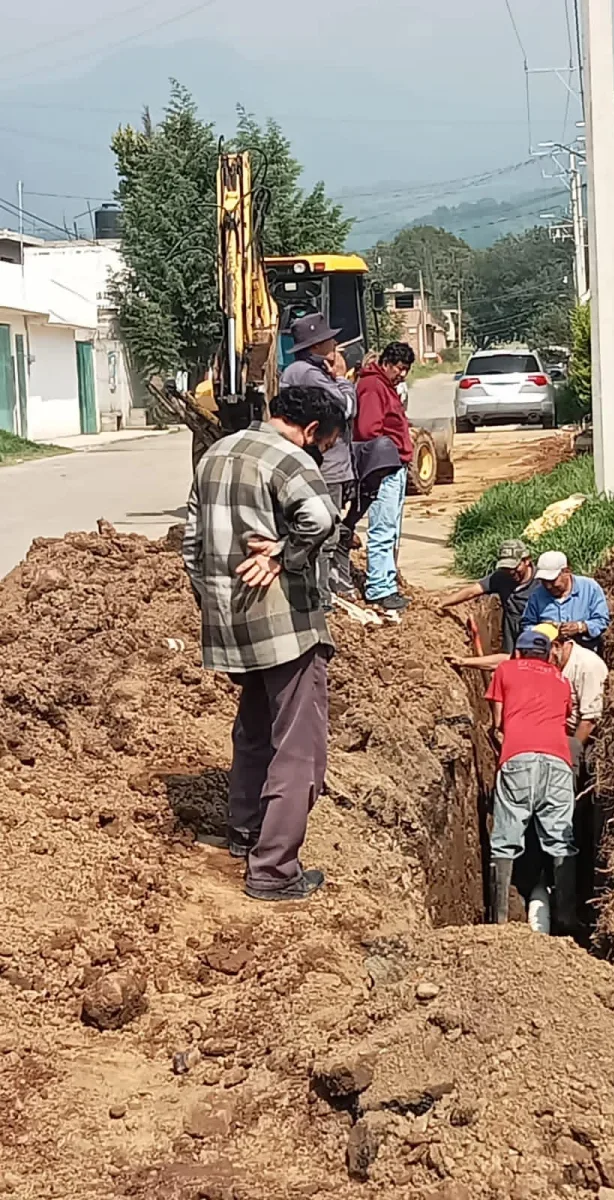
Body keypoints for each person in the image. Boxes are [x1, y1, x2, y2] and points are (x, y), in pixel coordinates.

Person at [182, 386, 346, 902]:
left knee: (254, 726)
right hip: (285, 625)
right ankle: (273, 870)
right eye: (325, 444)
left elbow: (192, 542)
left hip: (231, 622)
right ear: (313, 431)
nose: (320, 454)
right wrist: (283, 554)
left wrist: (212, 600)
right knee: (299, 749)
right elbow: (323, 519)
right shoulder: (290, 459)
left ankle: (244, 831)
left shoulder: (216, 453)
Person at [485, 628, 578, 933]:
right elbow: (563, 718)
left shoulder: (506, 669)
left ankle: (498, 919)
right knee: (560, 839)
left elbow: (497, 724)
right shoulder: (562, 680)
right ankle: (564, 916)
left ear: (519, 652)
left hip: (518, 758)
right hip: (558, 762)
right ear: (547, 653)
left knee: (506, 838)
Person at [451, 621, 608, 775]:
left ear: (556, 646)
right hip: (547, 733)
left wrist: (570, 756)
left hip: (580, 738)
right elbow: (506, 661)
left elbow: (589, 721)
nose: (536, 661)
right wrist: (464, 661)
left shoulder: (588, 666)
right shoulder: (547, 658)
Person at [280, 314, 357, 605]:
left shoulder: (297, 371)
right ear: (315, 346)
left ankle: (319, 592)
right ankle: (321, 597)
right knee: (326, 533)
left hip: (326, 465)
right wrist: (342, 379)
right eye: (329, 340)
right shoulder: (310, 375)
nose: (335, 345)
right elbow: (346, 408)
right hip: (327, 468)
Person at [355, 342, 416, 611]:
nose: (402, 374)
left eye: (406, 370)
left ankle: (387, 582)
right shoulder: (373, 387)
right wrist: (391, 448)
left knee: (391, 529)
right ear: (387, 363)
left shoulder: (386, 387)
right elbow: (369, 430)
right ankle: (379, 587)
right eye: (400, 368)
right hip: (384, 467)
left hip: (395, 464)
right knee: (382, 529)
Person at [440, 539, 539, 653]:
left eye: (515, 567)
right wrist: (443, 602)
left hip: (536, 646)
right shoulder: (502, 577)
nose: (510, 572)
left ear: (527, 560)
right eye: (506, 568)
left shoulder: (542, 582)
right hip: (511, 647)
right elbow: (472, 591)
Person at [522, 552, 610, 653]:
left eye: (552, 580)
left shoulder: (590, 588)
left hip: (584, 652)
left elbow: (602, 621)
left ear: (567, 571)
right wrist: (543, 630)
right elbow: (527, 625)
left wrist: (580, 627)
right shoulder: (536, 595)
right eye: (544, 581)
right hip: (550, 654)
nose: (548, 586)